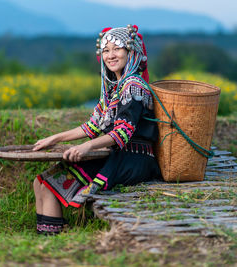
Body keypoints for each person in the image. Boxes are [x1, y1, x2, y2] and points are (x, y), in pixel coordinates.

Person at [32, 25, 161, 235]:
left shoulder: (134, 86)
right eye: (106, 50)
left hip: (133, 158)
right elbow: (92, 126)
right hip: (119, 155)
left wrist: (87, 147)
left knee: (49, 187)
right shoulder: (113, 89)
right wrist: (54, 138)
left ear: (131, 52)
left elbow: (123, 132)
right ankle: (48, 235)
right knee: (39, 183)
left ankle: (50, 240)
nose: (110, 55)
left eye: (117, 49)